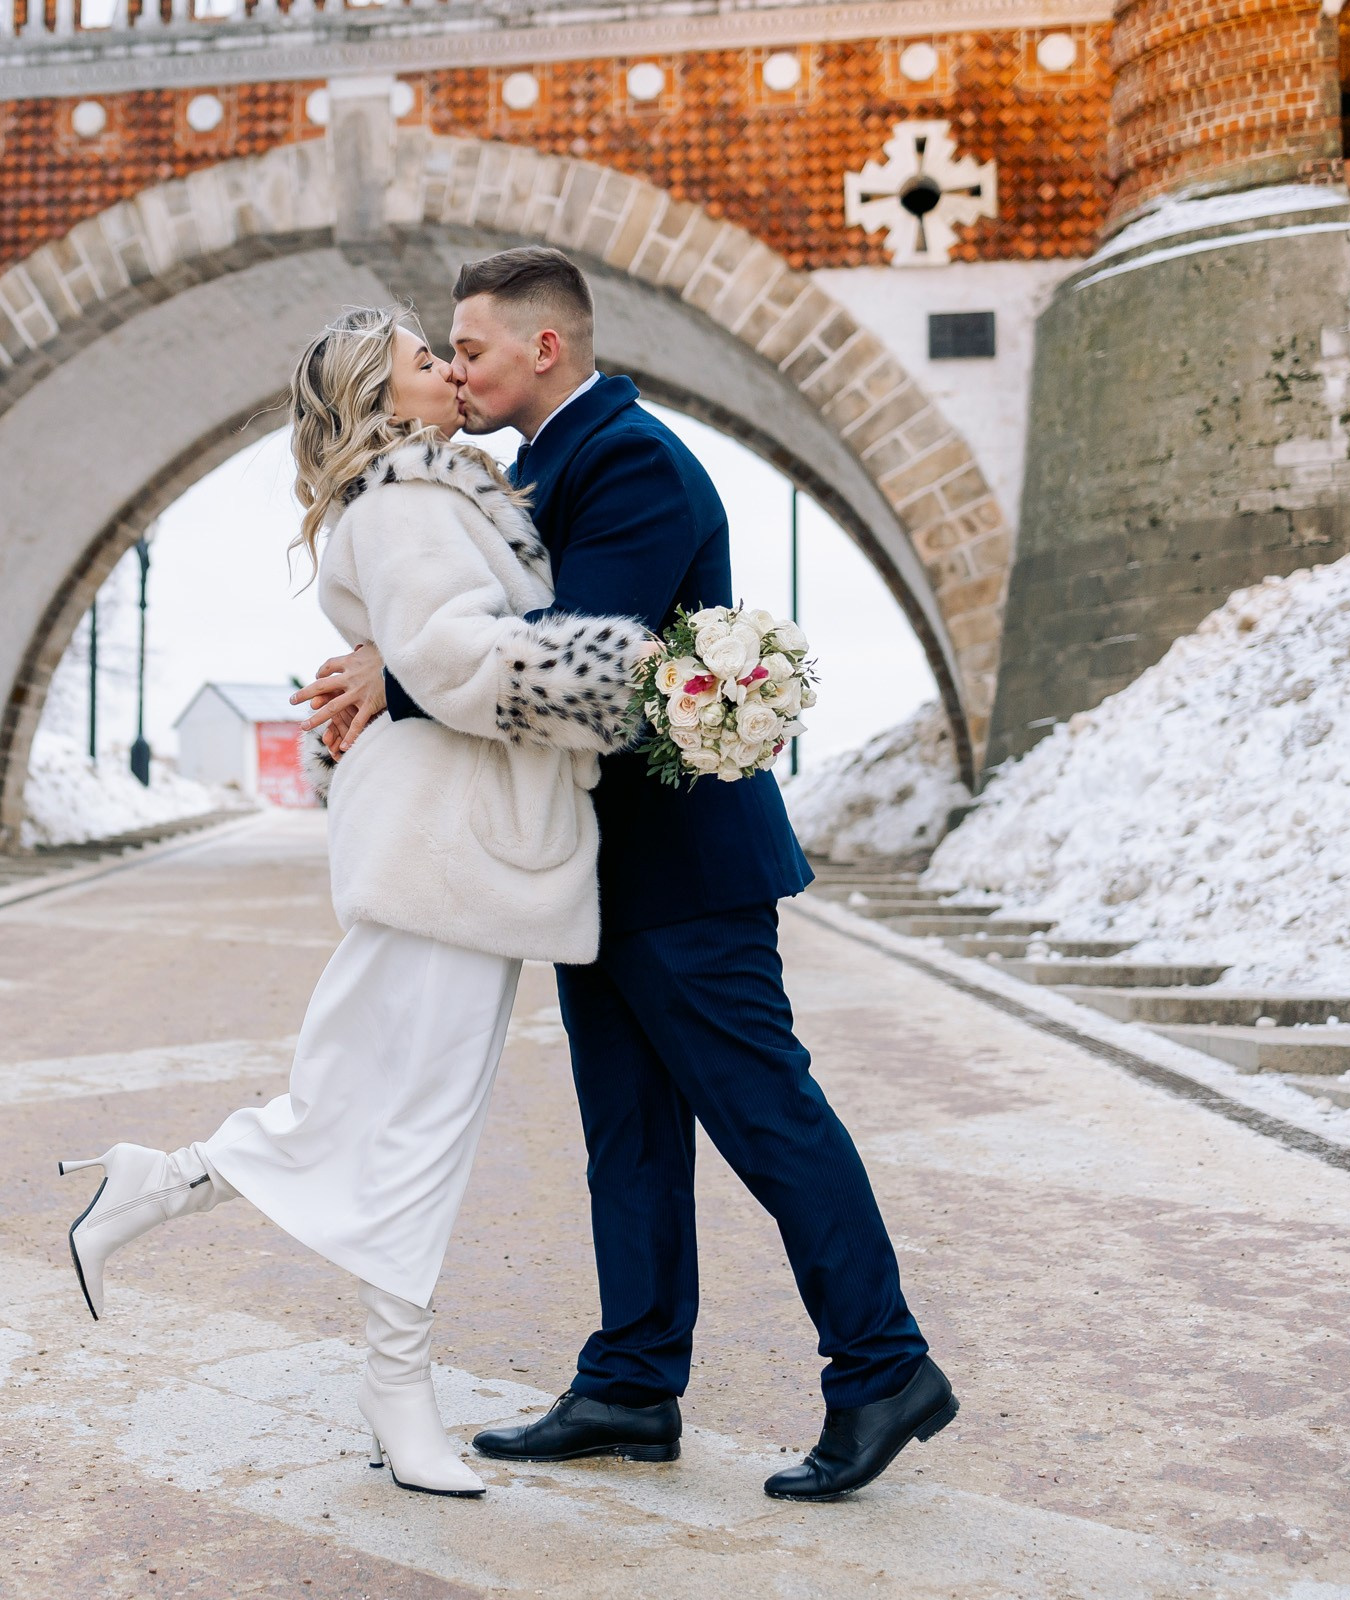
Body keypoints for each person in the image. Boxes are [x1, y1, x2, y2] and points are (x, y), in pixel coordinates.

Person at [299, 248, 956, 1503]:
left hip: (686, 867)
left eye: (473, 347)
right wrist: (396, 644)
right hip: (605, 872)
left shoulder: (630, 460)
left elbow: (581, 662)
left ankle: (882, 1366)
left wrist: (406, 677)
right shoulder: (537, 470)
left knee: (768, 1117)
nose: (459, 368)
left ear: (544, 347)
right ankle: (631, 1382)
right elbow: (484, 619)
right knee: (628, 1139)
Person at [59, 306, 646, 1499]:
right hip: (450, 842)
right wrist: (614, 676)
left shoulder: (427, 498)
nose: (447, 367)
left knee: (384, 1110)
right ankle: (388, 1383)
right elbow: (460, 664)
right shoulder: (414, 502)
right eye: (423, 361)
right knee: (405, 1123)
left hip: (450, 841)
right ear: (385, 406)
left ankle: (168, 1192)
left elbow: (427, 657)